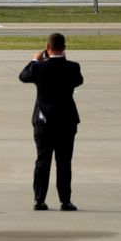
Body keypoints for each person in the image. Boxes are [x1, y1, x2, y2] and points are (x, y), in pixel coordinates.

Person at [19, 32, 83, 211]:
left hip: (43, 121)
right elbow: (78, 80)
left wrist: (35, 60)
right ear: (64, 48)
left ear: (47, 48)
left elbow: (23, 76)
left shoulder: (39, 69)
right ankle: (65, 200)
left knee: (42, 161)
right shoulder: (72, 67)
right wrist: (64, 61)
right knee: (64, 162)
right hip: (66, 121)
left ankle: (39, 199)